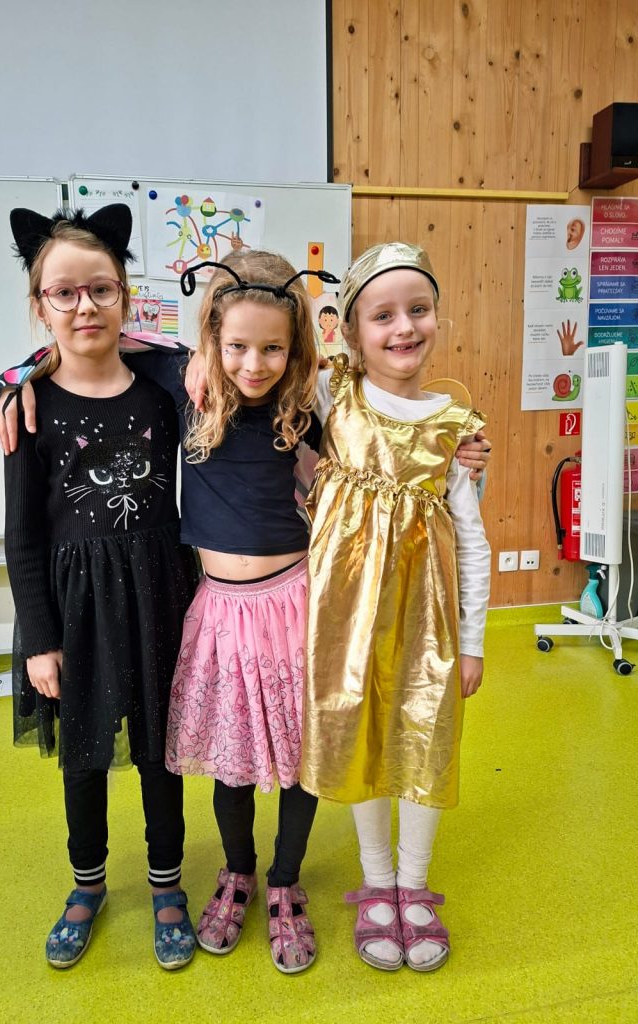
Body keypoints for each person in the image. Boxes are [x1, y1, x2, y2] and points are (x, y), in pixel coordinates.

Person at [0, 247, 491, 976]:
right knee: (230, 758)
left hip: (296, 604)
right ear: (210, 342)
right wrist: (14, 380)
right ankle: (238, 872)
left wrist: (461, 452)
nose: (253, 364)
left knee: (297, 757)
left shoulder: (311, 402)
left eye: (272, 349)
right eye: (234, 347)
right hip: (220, 608)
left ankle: (286, 882)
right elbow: (99, 341)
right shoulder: (182, 387)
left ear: (294, 348)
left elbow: (392, 427)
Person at [0, 204, 198, 972]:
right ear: (39, 305)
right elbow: (22, 535)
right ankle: (87, 885)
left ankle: (167, 884)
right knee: (82, 756)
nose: (85, 307)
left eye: (102, 289)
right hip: (73, 608)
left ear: (125, 296)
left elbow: (210, 363)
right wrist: (39, 640)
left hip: (159, 594)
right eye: (64, 293)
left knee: (159, 752)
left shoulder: (163, 390)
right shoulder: (28, 406)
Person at [299, 242, 491, 974]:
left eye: (418, 309)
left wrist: (471, 640)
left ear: (438, 316)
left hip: (426, 623)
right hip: (345, 621)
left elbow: (470, 540)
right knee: (361, 735)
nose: (404, 327)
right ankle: (376, 881)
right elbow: (238, 359)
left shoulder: (454, 426)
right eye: (382, 315)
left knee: (423, 737)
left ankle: (413, 885)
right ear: (350, 330)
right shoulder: (332, 394)